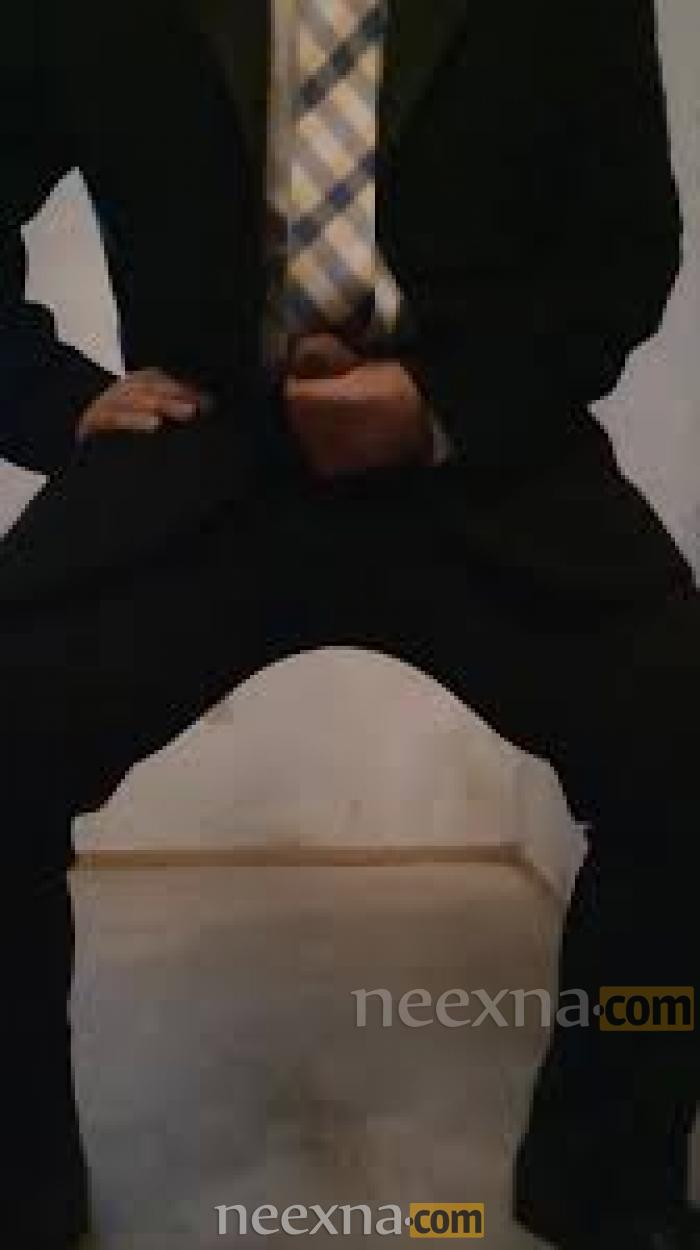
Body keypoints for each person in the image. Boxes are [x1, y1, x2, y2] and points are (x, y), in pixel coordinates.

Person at [1, 1, 698, 1246]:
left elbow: (622, 247)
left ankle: (604, 1178)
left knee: (686, 748)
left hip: (477, 448)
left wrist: (440, 400)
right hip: (203, 437)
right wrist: (51, 401)